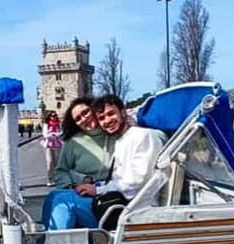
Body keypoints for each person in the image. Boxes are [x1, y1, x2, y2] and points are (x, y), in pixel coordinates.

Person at [43, 95, 165, 230]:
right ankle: (44, 241)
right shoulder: (120, 139)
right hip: (117, 201)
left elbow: (136, 181)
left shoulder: (142, 136)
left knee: (62, 202)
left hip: (129, 208)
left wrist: (97, 189)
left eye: (111, 114)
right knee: (54, 195)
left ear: (123, 112)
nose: (107, 120)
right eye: (102, 117)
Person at [52, 97, 114, 189]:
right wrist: (70, 187)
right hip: (83, 193)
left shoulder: (115, 133)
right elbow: (61, 171)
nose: (84, 118)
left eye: (86, 112)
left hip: (116, 191)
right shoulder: (73, 142)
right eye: (78, 119)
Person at [41, 112, 63, 186]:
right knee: (50, 163)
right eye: (52, 116)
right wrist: (51, 135)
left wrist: (56, 134)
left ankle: (57, 179)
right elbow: (45, 134)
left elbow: (61, 132)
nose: (53, 117)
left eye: (55, 115)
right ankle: (50, 179)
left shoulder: (58, 124)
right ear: (49, 117)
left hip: (57, 145)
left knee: (57, 163)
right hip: (49, 145)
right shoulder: (46, 125)